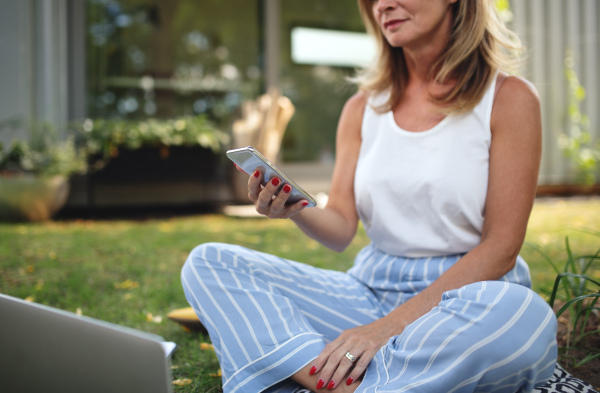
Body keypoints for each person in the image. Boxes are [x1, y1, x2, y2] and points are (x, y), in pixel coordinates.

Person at [181, 0, 558, 392]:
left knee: (523, 317)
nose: (383, 5)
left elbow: (501, 249)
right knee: (210, 262)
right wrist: (293, 207)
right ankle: (342, 380)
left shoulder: (509, 98)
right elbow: (341, 227)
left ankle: (320, 375)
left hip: (465, 297)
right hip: (369, 290)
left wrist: (386, 329)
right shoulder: (362, 107)